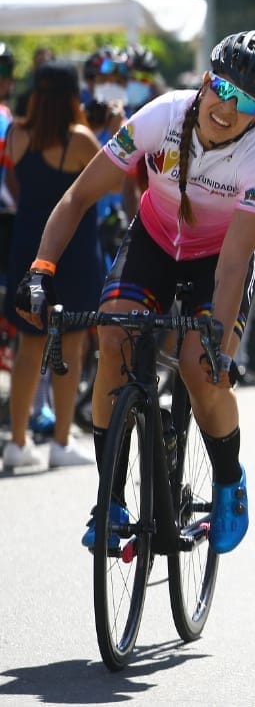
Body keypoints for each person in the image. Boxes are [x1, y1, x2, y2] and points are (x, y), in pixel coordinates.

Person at [14, 30, 255, 554]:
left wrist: (219, 347)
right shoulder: (161, 116)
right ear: (206, 81)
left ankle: (229, 479)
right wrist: (40, 268)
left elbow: (235, 262)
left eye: (247, 104)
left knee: (200, 368)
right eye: (223, 91)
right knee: (113, 337)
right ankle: (111, 500)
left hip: (217, 260)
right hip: (155, 242)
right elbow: (78, 197)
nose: (227, 110)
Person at [2, 61, 100, 470]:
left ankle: (17, 442)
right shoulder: (78, 139)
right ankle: (61, 441)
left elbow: (15, 186)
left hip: (28, 248)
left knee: (28, 346)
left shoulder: (17, 133)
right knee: (71, 344)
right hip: (73, 251)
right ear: (73, 96)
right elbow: (109, 180)